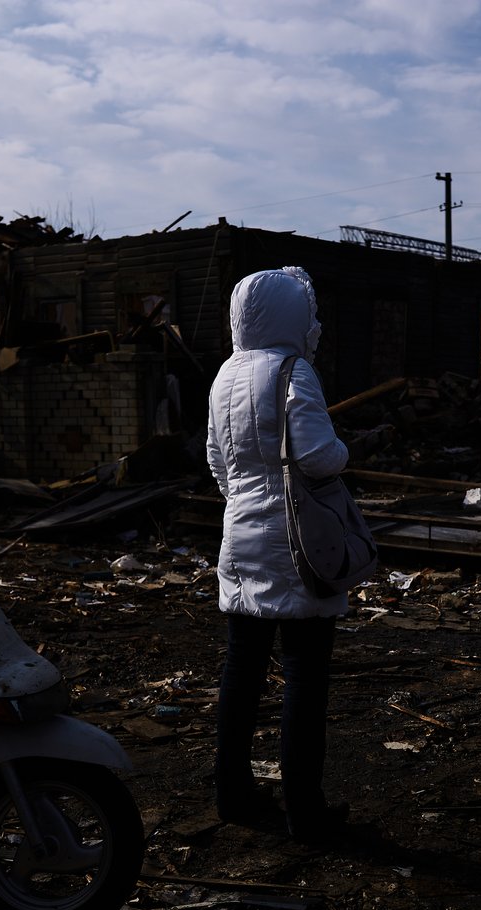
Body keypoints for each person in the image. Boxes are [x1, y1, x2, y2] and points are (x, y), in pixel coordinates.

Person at [205, 266, 351, 843]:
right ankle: (305, 811)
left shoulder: (224, 375)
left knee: (241, 670)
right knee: (304, 674)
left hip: (238, 536)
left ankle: (232, 793)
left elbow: (217, 462)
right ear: (295, 315)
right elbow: (317, 456)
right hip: (294, 544)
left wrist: (245, 497)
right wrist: (345, 449)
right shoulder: (295, 371)